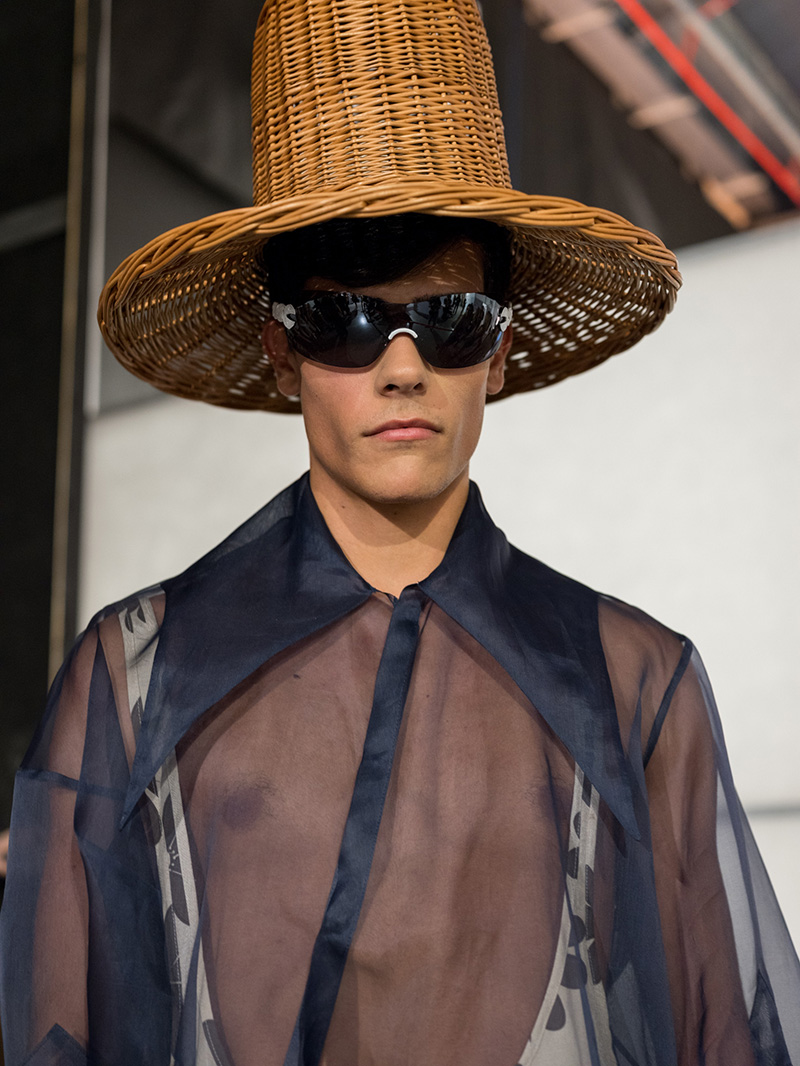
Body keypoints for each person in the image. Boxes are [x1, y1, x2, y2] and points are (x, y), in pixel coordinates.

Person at [1, 1, 798, 1064]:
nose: (403, 366)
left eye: (451, 322)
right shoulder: (137, 674)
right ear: (282, 354)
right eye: (347, 321)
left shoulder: (631, 682)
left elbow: (720, 1032)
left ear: (499, 355)